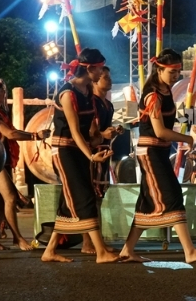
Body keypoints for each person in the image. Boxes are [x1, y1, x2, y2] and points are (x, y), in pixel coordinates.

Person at [119, 49, 196, 263]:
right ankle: (189, 251)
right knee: (172, 195)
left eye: (178, 71)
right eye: (172, 71)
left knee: (146, 202)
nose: (176, 75)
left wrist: (193, 115)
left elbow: (171, 122)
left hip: (159, 151)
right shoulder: (152, 95)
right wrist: (187, 139)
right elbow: (159, 131)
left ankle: (127, 250)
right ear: (159, 69)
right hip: (150, 151)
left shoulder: (167, 92)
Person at [41, 48, 119, 264]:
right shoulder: (68, 93)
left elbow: (90, 132)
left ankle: (49, 251)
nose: (103, 73)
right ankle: (100, 251)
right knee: (85, 197)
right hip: (64, 150)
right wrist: (92, 156)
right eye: (101, 69)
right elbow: (74, 132)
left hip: (79, 150)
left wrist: (100, 142)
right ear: (90, 69)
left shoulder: (87, 93)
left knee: (69, 203)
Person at [0, 79, 43, 252]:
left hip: (0, 160)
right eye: (2, 91)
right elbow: (10, 134)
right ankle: (18, 238)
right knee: (10, 198)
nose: (5, 94)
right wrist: (35, 135)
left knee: (0, 202)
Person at [81, 65, 123, 255]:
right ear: (96, 80)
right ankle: (88, 243)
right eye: (105, 77)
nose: (110, 80)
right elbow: (90, 134)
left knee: (98, 196)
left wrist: (112, 133)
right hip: (92, 154)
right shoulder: (92, 103)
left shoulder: (108, 105)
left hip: (104, 154)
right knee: (90, 197)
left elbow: (103, 133)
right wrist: (104, 135)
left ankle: (97, 242)